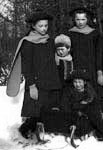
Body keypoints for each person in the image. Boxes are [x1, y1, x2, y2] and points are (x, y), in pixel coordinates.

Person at [6, 10, 61, 141]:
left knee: (47, 110)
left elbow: (54, 59)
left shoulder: (50, 41)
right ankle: (25, 130)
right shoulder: (28, 42)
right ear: (33, 26)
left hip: (50, 80)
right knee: (34, 112)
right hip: (36, 82)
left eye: (46, 26)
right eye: (40, 26)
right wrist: (31, 85)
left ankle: (40, 131)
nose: (44, 29)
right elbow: (27, 66)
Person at [67, 7, 103, 114]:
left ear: (87, 19)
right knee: (77, 95)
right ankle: (79, 120)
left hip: (92, 69)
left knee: (95, 94)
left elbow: (99, 53)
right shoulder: (70, 34)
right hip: (76, 69)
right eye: (78, 19)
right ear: (74, 20)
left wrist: (99, 71)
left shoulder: (94, 34)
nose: (80, 22)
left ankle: (101, 118)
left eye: (83, 19)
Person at [61, 70, 103, 141]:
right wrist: (80, 106)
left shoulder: (89, 90)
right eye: (75, 82)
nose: (77, 84)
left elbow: (96, 103)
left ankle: (101, 132)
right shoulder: (69, 91)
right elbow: (66, 106)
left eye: (80, 82)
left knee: (93, 111)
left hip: (90, 114)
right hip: (75, 115)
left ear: (84, 82)